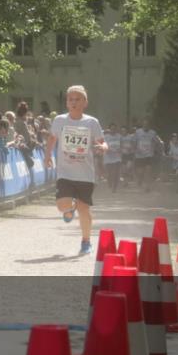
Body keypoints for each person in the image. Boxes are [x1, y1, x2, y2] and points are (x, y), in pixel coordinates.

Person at [45, 85, 107, 255]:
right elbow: (52, 138)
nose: (73, 102)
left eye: (77, 99)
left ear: (85, 102)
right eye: (70, 99)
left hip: (85, 174)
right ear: (66, 103)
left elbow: (103, 141)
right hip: (65, 172)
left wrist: (103, 147)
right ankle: (68, 209)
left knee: (84, 209)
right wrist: (47, 156)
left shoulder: (91, 122)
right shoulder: (59, 120)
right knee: (61, 205)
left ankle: (86, 242)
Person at [133, 118, 158, 192]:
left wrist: (155, 149)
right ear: (142, 125)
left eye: (147, 124)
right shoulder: (138, 132)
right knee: (140, 172)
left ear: (149, 125)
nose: (146, 126)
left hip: (149, 155)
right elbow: (134, 141)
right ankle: (140, 179)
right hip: (139, 155)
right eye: (144, 124)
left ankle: (147, 187)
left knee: (148, 171)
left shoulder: (153, 132)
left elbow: (156, 142)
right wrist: (135, 150)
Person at [103, 123, 123, 193]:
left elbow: (122, 145)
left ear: (116, 129)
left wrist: (121, 149)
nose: (113, 130)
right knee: (109, 174)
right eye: (112, 129)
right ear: (109, 129)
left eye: (114, 129)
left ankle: (114, 187)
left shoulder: (119, 136)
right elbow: (103, 145)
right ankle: (109, 182)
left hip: (117, 157)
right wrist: (106, 149)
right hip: (108, 158)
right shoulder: (106, 137)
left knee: (116, 173)